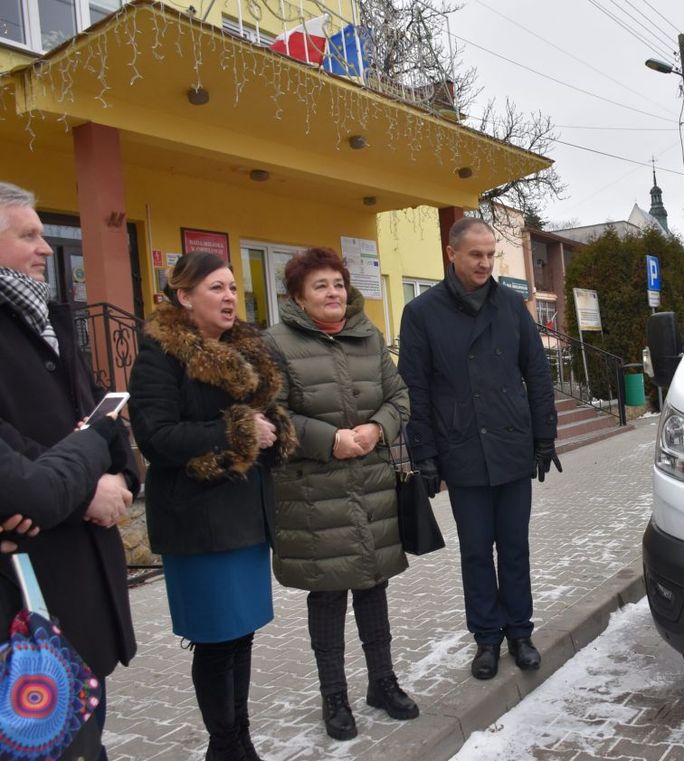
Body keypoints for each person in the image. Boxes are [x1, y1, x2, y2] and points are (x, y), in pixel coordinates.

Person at [128, 251, 296, 761]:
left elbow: (264, 416)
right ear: (184, 296)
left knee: (239, 636)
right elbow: (156, 438)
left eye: (232, 288)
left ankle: (237, 741)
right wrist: (242, 430)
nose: (230, 298)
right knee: (216, 641)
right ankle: (225, 746)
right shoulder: (160, 355)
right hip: (198, 522)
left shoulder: (245, 351)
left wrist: (274, 429)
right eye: (216, 288)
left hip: (244, 517)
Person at [0, 182, 138, 761]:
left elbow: (105, 420)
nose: (45, 247)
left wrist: (124, 478)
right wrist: (85, 488)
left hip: (84, 581)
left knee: (86, 733)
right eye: (28, 235)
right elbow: (20, 472)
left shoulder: (51, 320)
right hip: (29, 594)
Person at [263, 248, 418, 741]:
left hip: (369, 484)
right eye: (319, 286)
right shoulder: (275, 343)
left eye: (337, 283)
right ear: (298, 297)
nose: (332, 293)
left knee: (374, 587)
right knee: (327, 594)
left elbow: (400, 396)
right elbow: (272, 415)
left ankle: (382, 683)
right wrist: (329, 440)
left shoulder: (367, 334)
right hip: (313, 494)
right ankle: (334, 696)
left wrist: (377, 429)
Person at [398, 217, 561, 681]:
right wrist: (423, 453)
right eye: (476, 254)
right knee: (475, 550)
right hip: (462, 448)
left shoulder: (511, 306)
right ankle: (486, 639)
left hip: (510, 444)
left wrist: (544, 435)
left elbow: (538, 373)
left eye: (491, 254)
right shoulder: (423, 313)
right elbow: (415, 388)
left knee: (514, 547)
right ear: (452, 254)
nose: (485, 263)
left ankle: (520, 633)